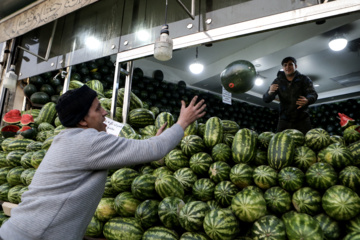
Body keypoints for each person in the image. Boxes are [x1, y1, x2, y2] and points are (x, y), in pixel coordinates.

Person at [0, 85, 206, 240]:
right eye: (98, 109)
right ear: (82, 121)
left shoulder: (67, 138)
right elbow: (154, 150)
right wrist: (182, 123)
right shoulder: (89, 142)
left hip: (21, 231)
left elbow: (135, 153)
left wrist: (154, 142)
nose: (105, 112)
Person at [263, 56, 318, 135]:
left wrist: (307, 100)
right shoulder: (278, 81)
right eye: (285, 65)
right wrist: (270, 92)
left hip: (302, 120)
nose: (287, 67)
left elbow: (313, 94)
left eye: (290, 64)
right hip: (284, 120)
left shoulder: (304, 79)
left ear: (295, 66)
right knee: (280, 144)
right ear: (283, 67)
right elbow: (266, 99)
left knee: (305, 145)